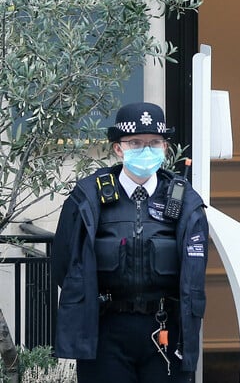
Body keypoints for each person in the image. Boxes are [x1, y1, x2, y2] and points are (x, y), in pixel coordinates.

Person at [52, 102, 208, 383]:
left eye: (154, 143)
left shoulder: (185, 202)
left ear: (165, 148)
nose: (145, 150)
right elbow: (65, 264)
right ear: (118, 148)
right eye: (135, 142)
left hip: (165, 332)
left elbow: (195, 271)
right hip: (106, 331)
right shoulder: (88, 198)